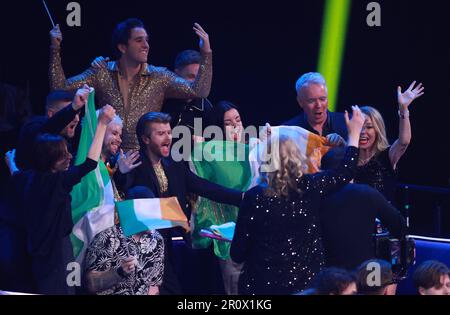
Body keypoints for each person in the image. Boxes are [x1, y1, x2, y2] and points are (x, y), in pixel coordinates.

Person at [230, 106, 365, 295]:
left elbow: (237, 253)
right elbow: (345, 171)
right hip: (306, 286)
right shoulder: (311, 186)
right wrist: (354, 135)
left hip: (261, 287)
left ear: (264, 159)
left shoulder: (255, 197)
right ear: (298, 157)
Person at [115, 112, 243, 295]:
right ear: (145, 139)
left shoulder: (174, 165)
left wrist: (243, 198)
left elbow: (204, 187)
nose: (168, 137)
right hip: (140, 250)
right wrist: (121, 173)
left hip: (168, 245)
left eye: (169, 132)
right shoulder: (133, 164)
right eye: (161, 133)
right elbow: (122, 191)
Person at [49, 18, 212, 151]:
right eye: (139, 40)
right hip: (109, 157)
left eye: (147, 40)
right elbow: (59, 88)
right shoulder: (101, 72)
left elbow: (199, 91)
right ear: (122, 47)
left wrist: (206, 53)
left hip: (146, 161)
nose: (146, 45)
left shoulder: (160, 76)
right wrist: (55, 48)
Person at [4, 104, 115, 294]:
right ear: (52, 160)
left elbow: (16, 175)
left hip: (36, 252)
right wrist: (102, 124)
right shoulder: (58, 182)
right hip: (57, 252)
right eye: (64, 154)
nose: (69, 157)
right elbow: (89, 163)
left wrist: (11, 163)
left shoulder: (27, 178)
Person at [319, 147, 407, 270]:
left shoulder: (314, 194)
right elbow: (400, 226)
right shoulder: (367, 193)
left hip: (324, 273)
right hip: (366, 273)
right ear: (351, 169)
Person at [354, 82, 424, 204]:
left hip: (382, 220)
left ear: (377, 130)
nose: (363, 132)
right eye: (359, 126)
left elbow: (404, 141)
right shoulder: (349, 158)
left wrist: (403, 110)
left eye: (369, 127)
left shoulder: (386, 156)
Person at [15, 87, 89, 171]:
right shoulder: (33, 127)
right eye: (72, 114)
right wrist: (72, 108)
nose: (77, 119)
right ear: (51, 114)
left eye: (77, 113)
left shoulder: (70, 135)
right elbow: (45, 130)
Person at [283, 72, 348, 146]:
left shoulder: (347, 123)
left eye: (322, 99)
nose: (318, 105)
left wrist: (344, 146)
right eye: (311, 101)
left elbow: (361, 155)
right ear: (300, 102)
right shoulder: (288, 131)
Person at [162, 49, 215, 135]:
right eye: (191, 76)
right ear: (177, 75)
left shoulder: (206, 107)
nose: (196, 82)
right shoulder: (163, 101)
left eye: (198, 77)